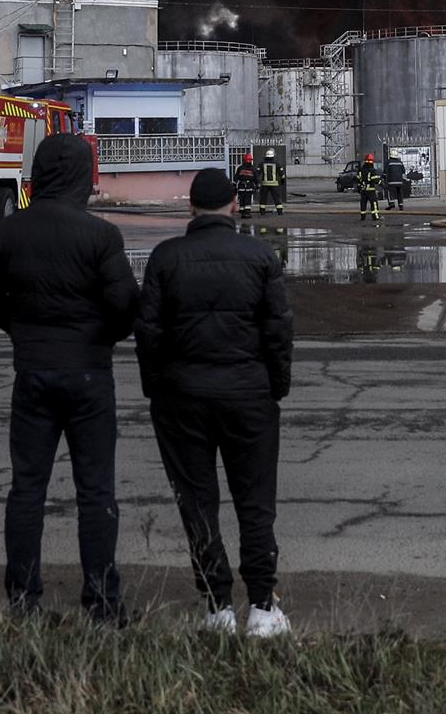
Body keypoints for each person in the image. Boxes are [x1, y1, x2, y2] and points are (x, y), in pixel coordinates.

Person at [0, 134, 137, 624]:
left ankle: (23, 601)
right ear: (82, 177)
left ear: (39, 173)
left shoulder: (9, 232)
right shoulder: (100, 235)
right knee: (96, 491)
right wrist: (101, 336)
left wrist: (22, 331)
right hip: (89, 373)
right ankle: (102, 603)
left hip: (32, 374)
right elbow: (126, 304)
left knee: (26, 489)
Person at [135, 168, 294, 637]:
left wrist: (157, 388)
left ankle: (217, 607)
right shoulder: (259, 255)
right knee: (256, 502)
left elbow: (148, 332)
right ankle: (263, 608)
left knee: (197, 503)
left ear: (190, 208)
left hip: (181, 398)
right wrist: (275, 387)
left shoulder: (165, 258)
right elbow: (279, 331)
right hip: (249, 396)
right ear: (234, 206)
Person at [256, 148, 285, 216]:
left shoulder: (261, 163)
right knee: (277, 198)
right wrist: (282, 181)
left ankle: (262, 212)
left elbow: (257, 174)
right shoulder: (277, 163)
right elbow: (282, 175)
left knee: (263, 198)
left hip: (265, 184)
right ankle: (280, 212)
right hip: (274, 184)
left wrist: (257, 183)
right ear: (273, 156)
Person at [354, 153, 381, 221]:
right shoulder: (372, 170)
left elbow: (357, 180)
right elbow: (375, 180)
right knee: (374, 203)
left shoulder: (361, 170)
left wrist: (359, 187)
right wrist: (382, 184)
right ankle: (376, 217)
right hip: (371, 190)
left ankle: (363, 217)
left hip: (363, 190)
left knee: (363, 203)